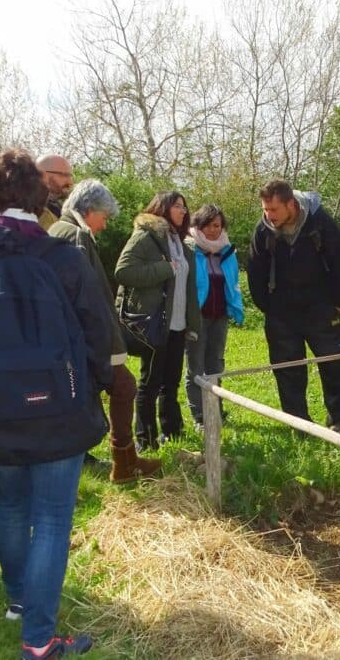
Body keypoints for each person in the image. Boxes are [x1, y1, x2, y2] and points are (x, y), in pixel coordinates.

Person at [0, 150, 109, 658]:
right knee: (53, 519)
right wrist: (91, 384)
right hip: (61, 407)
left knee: (11, 505)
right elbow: (98, 332)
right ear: (40, 200)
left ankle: (18, 598)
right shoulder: (63, 257)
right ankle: (38, 637)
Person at [49, 178, 162, 482]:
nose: (106, 225)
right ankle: (122, 463)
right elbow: (89, 298)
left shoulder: (61, 231)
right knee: (123, 386)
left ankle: (121, 461)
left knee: (118, 388)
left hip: (73, 338)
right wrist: (107, 347)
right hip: (84, 339)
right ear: (88, 210)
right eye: (105, 216)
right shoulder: (75, 237)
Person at [246, 179, 340, 433]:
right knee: (288, 369)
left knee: (334, 364)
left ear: (291, 204)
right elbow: (254, 272)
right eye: (265, 210)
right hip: (282, 311)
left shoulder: (320, 222)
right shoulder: (262, 231)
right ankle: (299, 424)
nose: (269, 216)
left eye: (274, 210)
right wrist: (269, 308)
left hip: (321, 307)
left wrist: (338, 302)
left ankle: (338, 420)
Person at [114, 191, 200, 449]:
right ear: (162, 208)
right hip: (153, 323)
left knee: (170, 382)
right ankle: (146, 440)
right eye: (177, 206)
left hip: (177, 325)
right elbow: (123, 271)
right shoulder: (145, 237)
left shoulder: (180, 243)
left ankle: (172, 433)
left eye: (185, 207)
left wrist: (193, 324)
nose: (183, 211)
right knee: (149, 383)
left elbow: (189, 288)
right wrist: (165, 268)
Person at [184, 204, 245, 429]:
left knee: (216, 365)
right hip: (196, 317)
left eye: (217, 225)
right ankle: (200, 417)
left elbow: (233, 283)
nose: (213, 230)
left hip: (219, 316)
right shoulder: (188, 250)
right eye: (208, 225)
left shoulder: (227, 251)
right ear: (198, 225)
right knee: (196, 367)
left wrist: (236, 308)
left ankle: (215, 410)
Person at [35, 154, 73, 230]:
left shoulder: (57, 208)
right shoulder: (29, 211)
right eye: (64, 175)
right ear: (44, 175)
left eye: (70, 176)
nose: (70, 182)